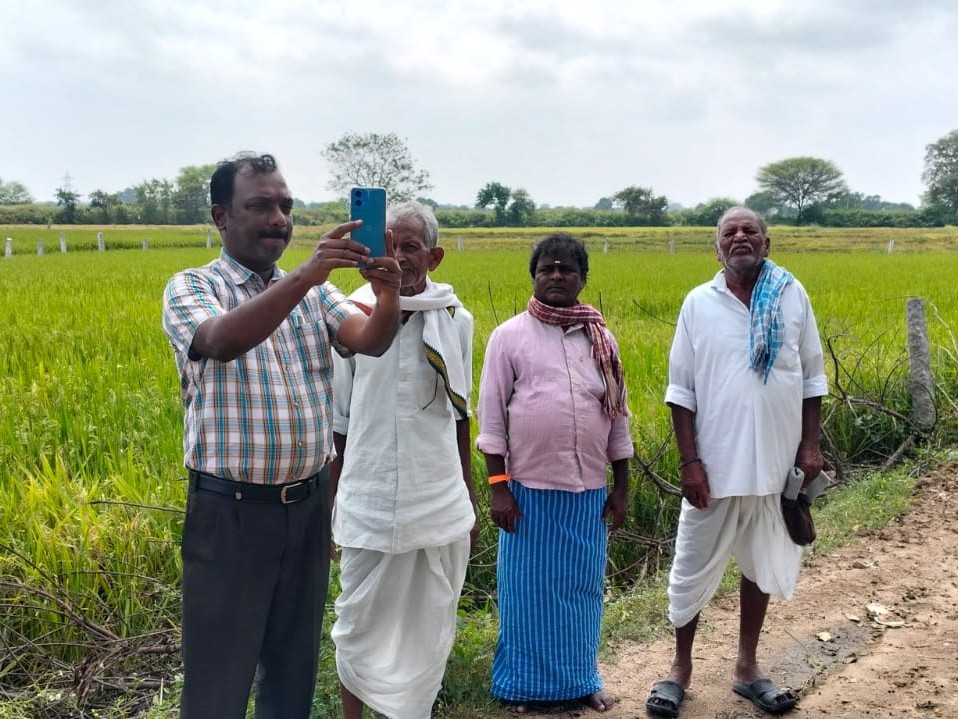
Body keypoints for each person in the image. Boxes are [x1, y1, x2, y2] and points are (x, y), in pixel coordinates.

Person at [161, 152, 401, 719]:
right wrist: (304, 276)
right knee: (219, 682)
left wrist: (388, 294)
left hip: (308, 506)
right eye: (261, 205)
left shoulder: (314, 295)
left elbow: (369, 340)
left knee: (291, 673)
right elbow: (219, 341)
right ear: (221, 217)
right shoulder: (194, 286)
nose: (279, 219)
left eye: (286, 206)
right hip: (231, 514)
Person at [645, 207, 828, 717]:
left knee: (761, 563)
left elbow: (811, 379)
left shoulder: (793, 296)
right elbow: (681, 392)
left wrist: (810, 447)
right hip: (716, 467)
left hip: (775, 466)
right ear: (718, 249)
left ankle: (747, 669)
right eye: (731, 233)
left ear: (767, 245)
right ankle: (680, 669)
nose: (741, 237)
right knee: (691, 567)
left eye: (751, 231)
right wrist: (690, 463)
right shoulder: (698, 304)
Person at [329, 200, 478, 719]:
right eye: (389, 243)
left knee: (428, 620)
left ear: (434, 257)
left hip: (437, 499)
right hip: (366, 497)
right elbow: (340, 424)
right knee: (357, 622)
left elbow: (460, 416)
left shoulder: (456, 319)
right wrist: (332, 510)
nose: (398, 255)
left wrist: (468, 498)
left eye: (410, 246)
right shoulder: (348, 313)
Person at [476, 232, 633, 714]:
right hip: (526, 492)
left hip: (587, 489)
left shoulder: (600, 339)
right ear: (535, 276)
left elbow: (617, 416)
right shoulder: (509, 336)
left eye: (567, 269)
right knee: (527, 593)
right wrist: (499, 488)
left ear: (583, 278)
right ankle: (522, 688)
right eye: (547, 268)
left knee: (581, 589)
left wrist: (622, 487)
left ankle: (581, 681)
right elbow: (492, 420)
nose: (557, 276)